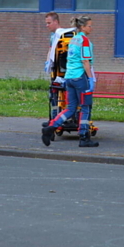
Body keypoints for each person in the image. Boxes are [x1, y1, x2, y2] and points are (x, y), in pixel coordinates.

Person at [42, 16, 99, 148]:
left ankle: (50, 127)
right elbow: (85, 61)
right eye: (89, 25)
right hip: (80, 78)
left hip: (69, 78)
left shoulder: (73, 39)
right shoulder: (84, 40)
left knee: (70, 108)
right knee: (85, 107)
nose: (91, 28)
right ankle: (84, 137)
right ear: (83, 27)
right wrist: (90, 79)